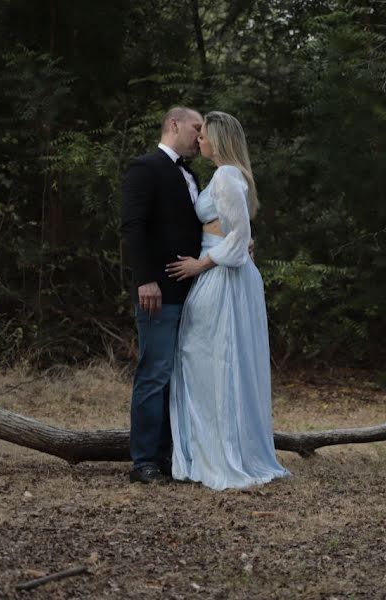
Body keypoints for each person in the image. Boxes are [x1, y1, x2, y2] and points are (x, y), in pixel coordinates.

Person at [165, 111, 290, 490]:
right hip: (224, 272)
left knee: (215, 359)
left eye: (204, 134)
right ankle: (207, 444)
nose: (198, 139)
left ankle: (222, 452)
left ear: (218, 139)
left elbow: (239, 234)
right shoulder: (226, 176)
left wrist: (200, 263)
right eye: (197, 132)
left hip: (222, 277)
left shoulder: (226, 176)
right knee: (206, 358)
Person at [121, 106, 204, 484]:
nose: (201, 136)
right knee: (154, 372)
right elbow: (133, 226)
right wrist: (144, 280)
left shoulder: (191, 175)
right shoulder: (145, 167)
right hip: (159, 289)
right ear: (174, 124)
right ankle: (144, 461)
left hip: (194, 291)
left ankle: (172, 457)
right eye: (196, 127)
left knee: (178, 376)